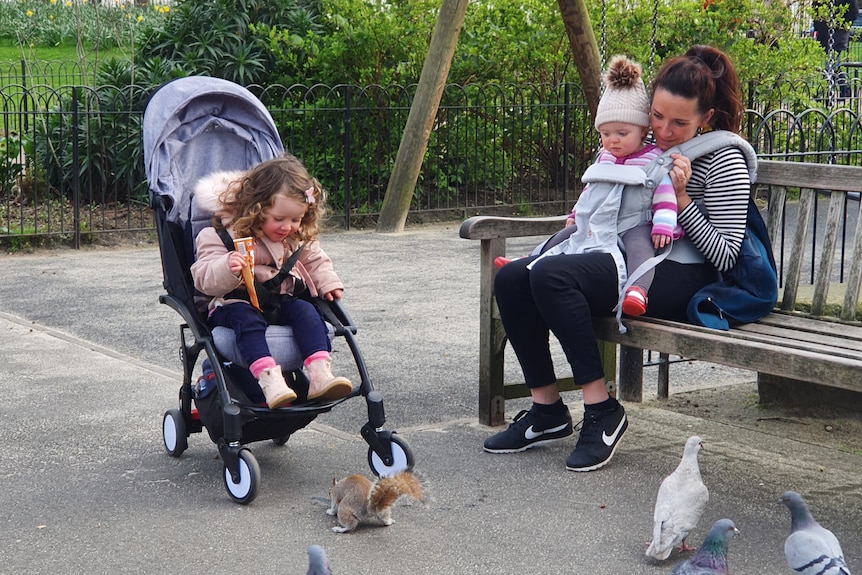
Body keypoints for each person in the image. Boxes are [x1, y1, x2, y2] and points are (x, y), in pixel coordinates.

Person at [484, 45, 753, 473]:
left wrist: (682, 200)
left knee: (553, 277)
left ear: (706, 118)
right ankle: (547, 409)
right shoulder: (636, 146)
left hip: (681, 272)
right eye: (657, 116)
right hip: (621, 254)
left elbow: (726, 254)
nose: (663, 131)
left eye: (680, 122)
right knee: (514, 278)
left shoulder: (724, 159)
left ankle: (602, 409)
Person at [191, 154, 353, 409]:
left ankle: (320, 375)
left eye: (296, 219)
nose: (288, 227)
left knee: (306, 310)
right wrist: (226, 267)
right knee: (248, 319)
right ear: (256, 207)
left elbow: (316, 260)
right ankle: (270, 381)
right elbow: (203, 277)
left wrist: (328, 282)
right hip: (234, 304)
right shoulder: (218, 236)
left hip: (279, 302)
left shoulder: (296, 237)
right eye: (279, 219)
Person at [525, 55, 680, 320]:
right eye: (605, 134)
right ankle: (530, 259)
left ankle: (637, 290)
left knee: (640, 247)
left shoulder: (653, 158)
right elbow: (591, 192)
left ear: (642, 130)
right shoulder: (604, 157)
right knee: (568, 234)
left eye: (622, 133)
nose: (613, 141)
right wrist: (576, 214)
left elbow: (664, 194)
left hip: (634, 223)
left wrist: (663, 224)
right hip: (600, 222)